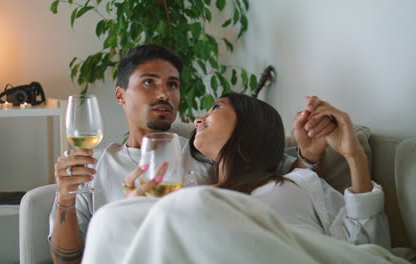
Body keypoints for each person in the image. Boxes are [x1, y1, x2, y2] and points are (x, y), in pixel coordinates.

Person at [49, 45, 335, 264]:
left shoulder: (209, 149)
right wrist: (65, 199)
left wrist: (309, 156)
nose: (164, 94)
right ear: (121, 95)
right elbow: (66, 260)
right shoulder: (95, 166)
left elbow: (274, 170)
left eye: (172, 84)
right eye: (149, 82)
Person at [82, 93, 393, 264]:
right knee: (112, 218)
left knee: (188, 204)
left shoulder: (300, 180)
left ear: (250, 125)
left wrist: (355, 157)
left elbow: (368, 245)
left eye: (216, 107)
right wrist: (141, 209)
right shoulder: (200, 193)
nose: (200, 118)